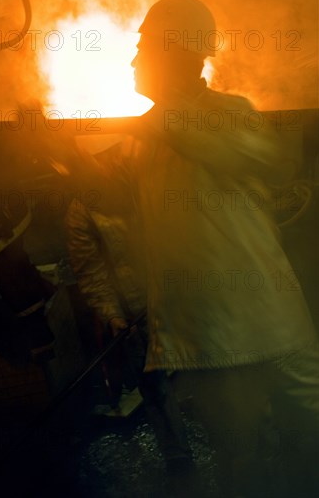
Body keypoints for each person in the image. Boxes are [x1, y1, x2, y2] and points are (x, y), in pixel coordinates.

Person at [74, 0, 319, 497]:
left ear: (175, 50)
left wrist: (152, 116)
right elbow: (105, 197)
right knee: (240, 465)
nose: (133, 59)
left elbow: (257, 155)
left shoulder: (230, 114)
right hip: (213, 339)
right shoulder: (142, 143)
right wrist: (55, 146)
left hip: (273, 324)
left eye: (142, 46)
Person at [65, 170, 194, 477]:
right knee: (154, 388)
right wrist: (112, 313)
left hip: (179, 299)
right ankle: (178, 460)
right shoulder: (82, 212)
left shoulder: (151, 183)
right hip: (136, 313)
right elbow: (92, 271)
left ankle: (241, 446)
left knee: (210, 372)